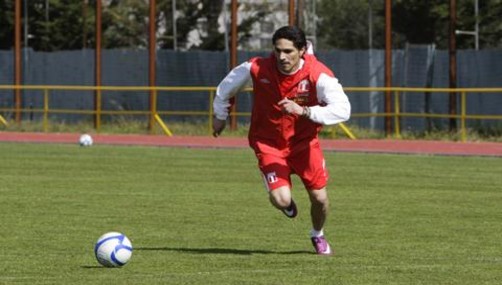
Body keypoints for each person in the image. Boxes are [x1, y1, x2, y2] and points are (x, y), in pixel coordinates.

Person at [212, 26, 351, 255]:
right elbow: (225, 88)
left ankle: (318, 234)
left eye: (288, 51)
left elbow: (343, 110)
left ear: (303, 50)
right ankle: (286, 203)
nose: (282, 57)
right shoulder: (257, 67)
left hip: (304, 144)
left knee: (320, 198)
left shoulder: (318, 74)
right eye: (277, 51)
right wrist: (220, 115)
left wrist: (305, 111)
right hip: (268, 144)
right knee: (281, 199)